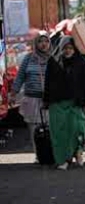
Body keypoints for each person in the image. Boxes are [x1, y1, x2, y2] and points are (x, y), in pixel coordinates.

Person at [44, 37, 85, 170]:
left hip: (75, 103)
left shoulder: (81, 63)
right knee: (59, 133)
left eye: (70, 48)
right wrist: (46, 101)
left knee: (78, 130)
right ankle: (63, 160)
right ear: (60, 48)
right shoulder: (53, 61)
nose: (67, 51)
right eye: (65, 48)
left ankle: (77, 151)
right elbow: (47, 82)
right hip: (57, 103)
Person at [11, 32, 51, 162]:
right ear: (36, 44)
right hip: (31, 99)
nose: (43, 44)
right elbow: (20, 76)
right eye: (40, 41)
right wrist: (14, 93)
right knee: (34, 128)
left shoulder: (53, 58)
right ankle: (38, 154)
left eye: (46, 41)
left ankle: (50, 152)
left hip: (49, 100)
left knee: (50, 127)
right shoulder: (28, 58)